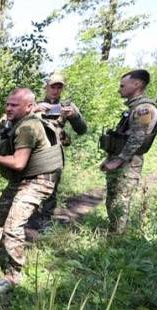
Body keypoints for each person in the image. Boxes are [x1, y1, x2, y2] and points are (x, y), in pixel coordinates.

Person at [0, 88, 63, 284]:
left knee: (12, 226)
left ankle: (15, 272)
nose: (8, 108)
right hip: (22, 178)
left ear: (29, 107)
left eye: (14, 105)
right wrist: (1, 121)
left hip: (39, 180)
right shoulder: (13, 122)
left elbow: (18, 163)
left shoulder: (28, 127)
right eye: (7, 104)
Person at [99, 69, 157, 234]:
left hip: (128, 164)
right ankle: (114, 234)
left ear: (137, 84)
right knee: (113, 199)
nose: (120, 89)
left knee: (120, 201)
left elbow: (138, 138)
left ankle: (117, 240)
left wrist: (118, 160)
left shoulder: (143, 109)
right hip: (121, 160)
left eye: (123, 85)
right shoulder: (135, 108)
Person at [32, 73, 87, 226]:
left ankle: (45, 221)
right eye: (53, 87)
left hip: (54, 152)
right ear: (46, 87)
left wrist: (74, 116)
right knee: (28, 185)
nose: (55, 90)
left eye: (59, 87)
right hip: (32, 152)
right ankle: (28, 217)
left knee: (51, 187)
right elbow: (15, 120)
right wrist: (34, 110)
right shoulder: (34, 103)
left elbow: (82, 130)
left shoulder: (66, 106)